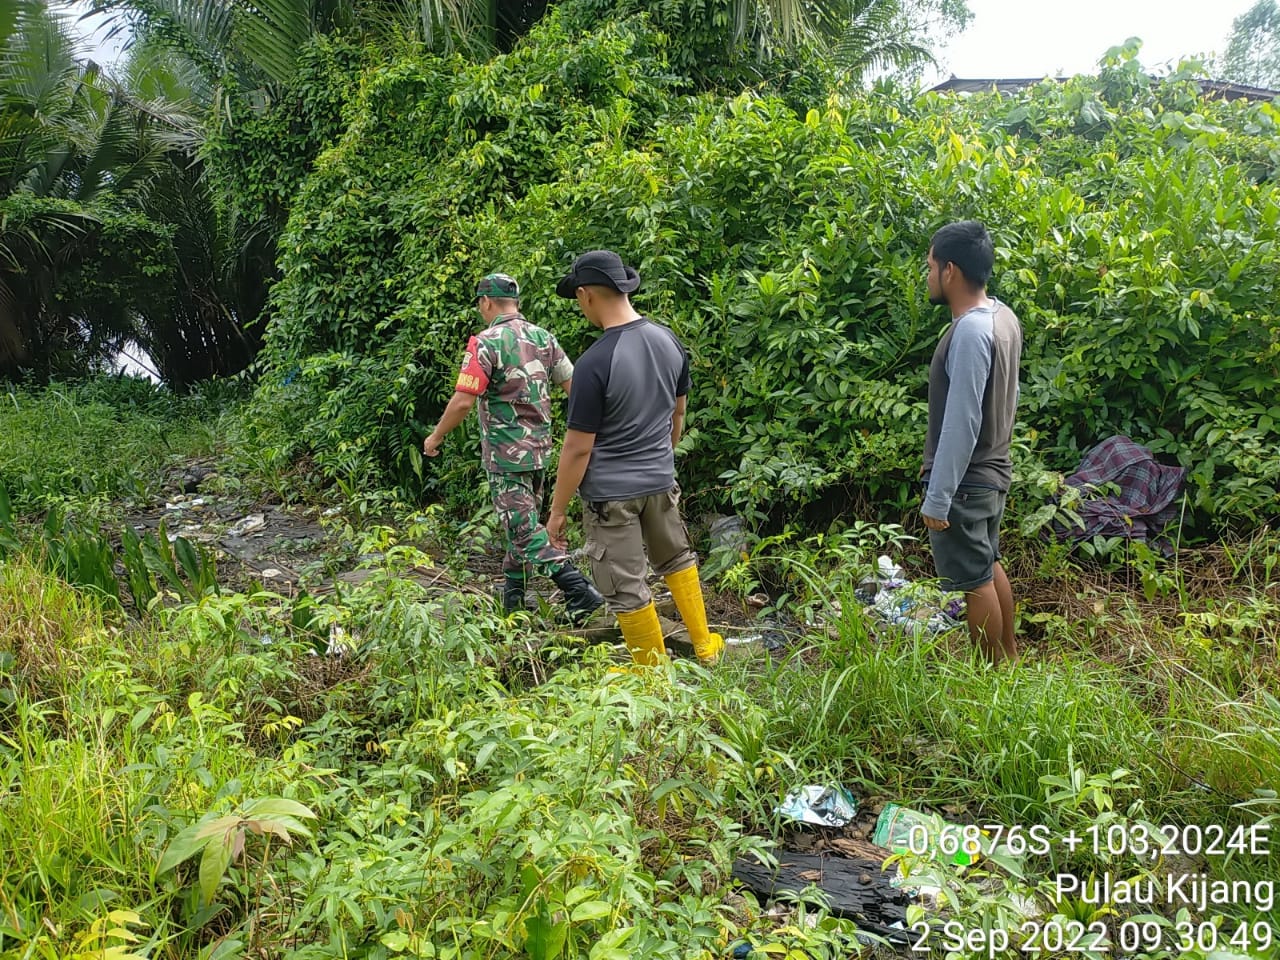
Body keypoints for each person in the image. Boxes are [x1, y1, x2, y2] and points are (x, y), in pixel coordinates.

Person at [545, 250, 723, 667]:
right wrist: (660, 456)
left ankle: (653, 681)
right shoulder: (669, 342)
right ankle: (705, 646)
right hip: (660, 480)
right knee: (676, 558)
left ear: (586, 295)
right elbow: (677, 415)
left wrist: (556, 513)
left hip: (612, 496)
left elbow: (578, 447)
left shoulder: (594, 363)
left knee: (626, 586)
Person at [423, 272, 603, 623]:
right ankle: (514, 603)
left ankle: (579, 590)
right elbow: (575, 388)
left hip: (506, 455)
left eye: (480, 304)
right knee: (520, 525)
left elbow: (462, 402)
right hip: (539, 452)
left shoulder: (485, 343)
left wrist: (436, 437)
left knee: (522, 528)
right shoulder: (544, 339)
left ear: (486, 302)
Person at [921, 221, 1023, 663]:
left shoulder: (969, 332)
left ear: (950, 272)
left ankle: (990, 676)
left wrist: (938, 498)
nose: (927, 277)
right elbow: (1010, 397)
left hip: (967, 480)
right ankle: (1009, 660)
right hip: (994, 469)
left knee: (973, 580)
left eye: (930, 267)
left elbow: (961, 421)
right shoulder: (1004, 317)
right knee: (988, 564)